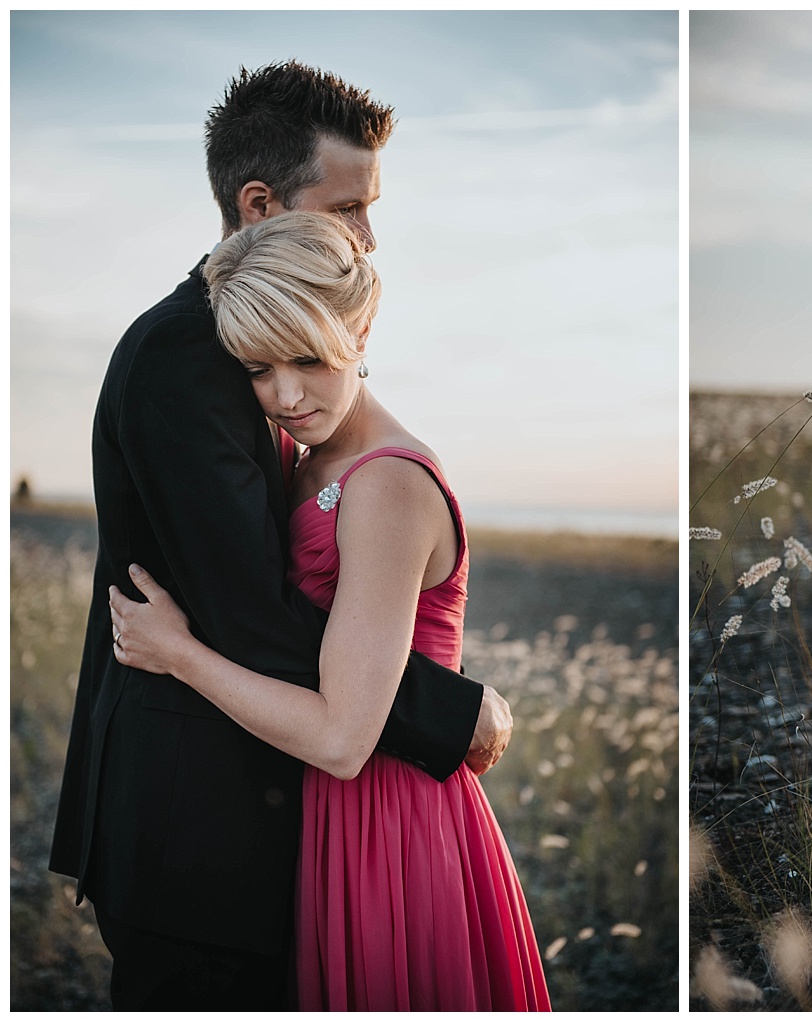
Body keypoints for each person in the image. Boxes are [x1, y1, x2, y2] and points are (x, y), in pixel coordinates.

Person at [48, 62, 515, 1009]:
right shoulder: (189, 354)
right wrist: (450, 714)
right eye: (351, 208)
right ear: (259, 204)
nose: (371, 240)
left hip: (271, 807)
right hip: (195, 828)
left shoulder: (256, 363)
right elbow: (252, 612)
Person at [109, 209, 552, 1009]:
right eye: (258, 367)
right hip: (326, 818)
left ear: (363, 325)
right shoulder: (314, 459)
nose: (284, 394)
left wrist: (179, 654)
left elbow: (345, 739)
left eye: (308, 359)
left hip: (390, 819)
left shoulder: (385, 484)